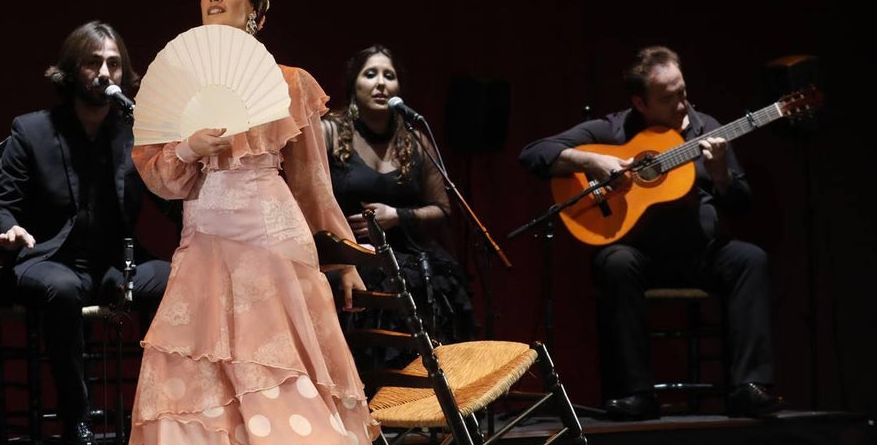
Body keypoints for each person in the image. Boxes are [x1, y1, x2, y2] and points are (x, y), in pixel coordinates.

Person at [115, 0, 410, 445]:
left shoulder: (291, 84)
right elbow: (162, 179)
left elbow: (311, 182)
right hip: (205, 240)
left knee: (270, 372)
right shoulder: (179, 87)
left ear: (258, 10)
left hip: (272, 241)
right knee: (197, 378)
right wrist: (191, 147)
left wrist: (342, 258)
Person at [518, 45, 784, 421]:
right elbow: (534, 154)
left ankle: (749, 388)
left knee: (750, 259)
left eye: (683, 93)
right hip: (640, 256)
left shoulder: (708, 129)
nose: (682, 105)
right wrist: (590, 159)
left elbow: (741, 205)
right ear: (640, 103)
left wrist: (722, 173)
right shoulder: (613, 130)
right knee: (614, 263)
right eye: (668, 98)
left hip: (699, 254)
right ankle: (635, 394)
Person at [0, 20, 172, 445]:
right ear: (71, 71)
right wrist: (7, 230)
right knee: (63, 289)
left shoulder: (134, 135)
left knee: (174, 278)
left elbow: (167, 198)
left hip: (112, 265)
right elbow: (0, 205)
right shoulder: (31, 131)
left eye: (114, 65)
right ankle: (75, 419)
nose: (104, 74)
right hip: (47, 261)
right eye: (93, 63)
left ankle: (162, 415)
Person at [322, 44, 476, 371]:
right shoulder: (330, 132)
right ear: (354, 84)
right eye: (371, 74)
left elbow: (442, 209)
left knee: (437, 276)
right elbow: (308, 195)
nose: (381, 83)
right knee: (379, 277)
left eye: (389, 76)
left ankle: (430, 393)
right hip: (350, 252)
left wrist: (397, 216)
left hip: (408, 250)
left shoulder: (415, 139)